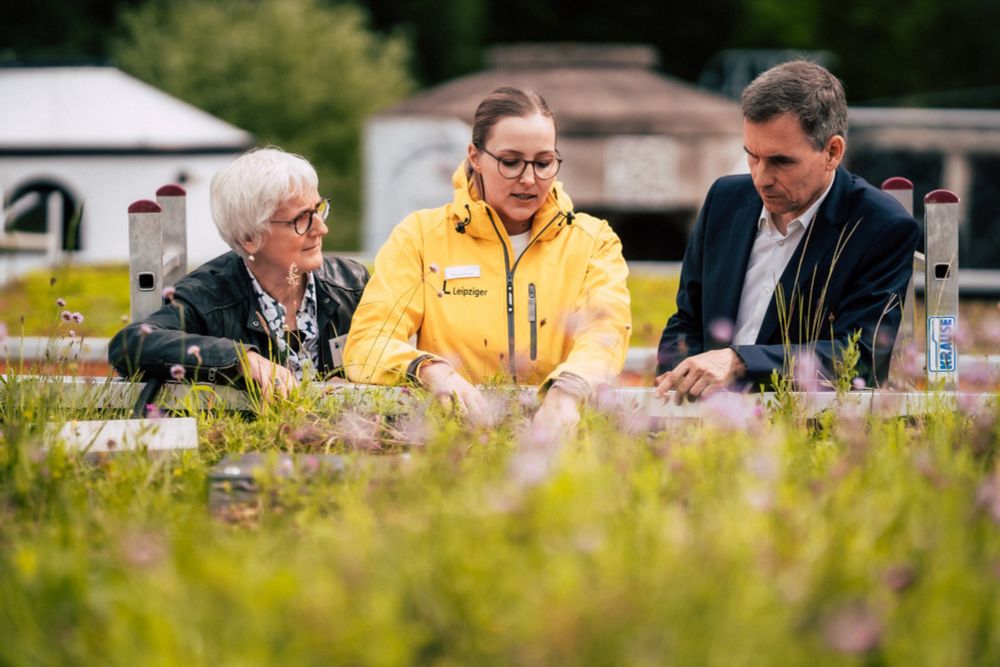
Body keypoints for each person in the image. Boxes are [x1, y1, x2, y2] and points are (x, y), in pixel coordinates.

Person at [343, 86, 631, 431]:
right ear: (474, 157)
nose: (528, 179)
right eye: (510, 162)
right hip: (452, 445)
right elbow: (367, 343)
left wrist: (567, 392)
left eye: (543, 163)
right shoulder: (419, 235)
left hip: (561, 443)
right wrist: (430, 370)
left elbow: (606, 332)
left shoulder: (593, 239)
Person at [655, 61, 920, 402]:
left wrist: (739, 361)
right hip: (705, 426)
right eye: (752, 156)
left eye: (781, 161)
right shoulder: (725, 198)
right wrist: (681, 378)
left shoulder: (880, 226)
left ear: (833, 152)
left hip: (811, 432)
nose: (761, 177)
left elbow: (858, 358)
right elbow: (687, 319)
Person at [109, 147, 369, 398]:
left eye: (318, 209)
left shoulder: (352, 283)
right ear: (249, 238)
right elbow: (130, 344)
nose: (321, 229)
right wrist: (240, 358)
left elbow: (398, 349)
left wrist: (362, 381)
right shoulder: (208, 295)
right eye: (301, 219)